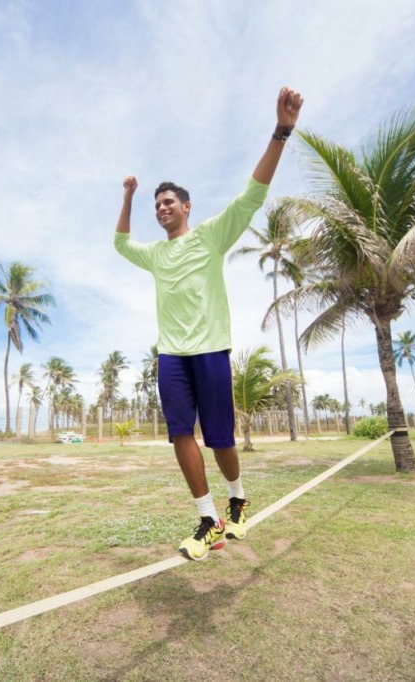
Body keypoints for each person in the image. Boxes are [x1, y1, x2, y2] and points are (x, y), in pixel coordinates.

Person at [114, 87, 303, 561]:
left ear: (187, 207)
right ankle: (208, 519)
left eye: (168, 202)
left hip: (211, 349)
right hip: (172, 355)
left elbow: (253, 195)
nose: (162, 208)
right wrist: (129, 197)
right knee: (181, 434)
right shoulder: (154, 254)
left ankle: (238, 498)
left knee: (221, 439)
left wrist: (281, 131)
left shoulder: (212, 236)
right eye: (157, 204)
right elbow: (119, 244)